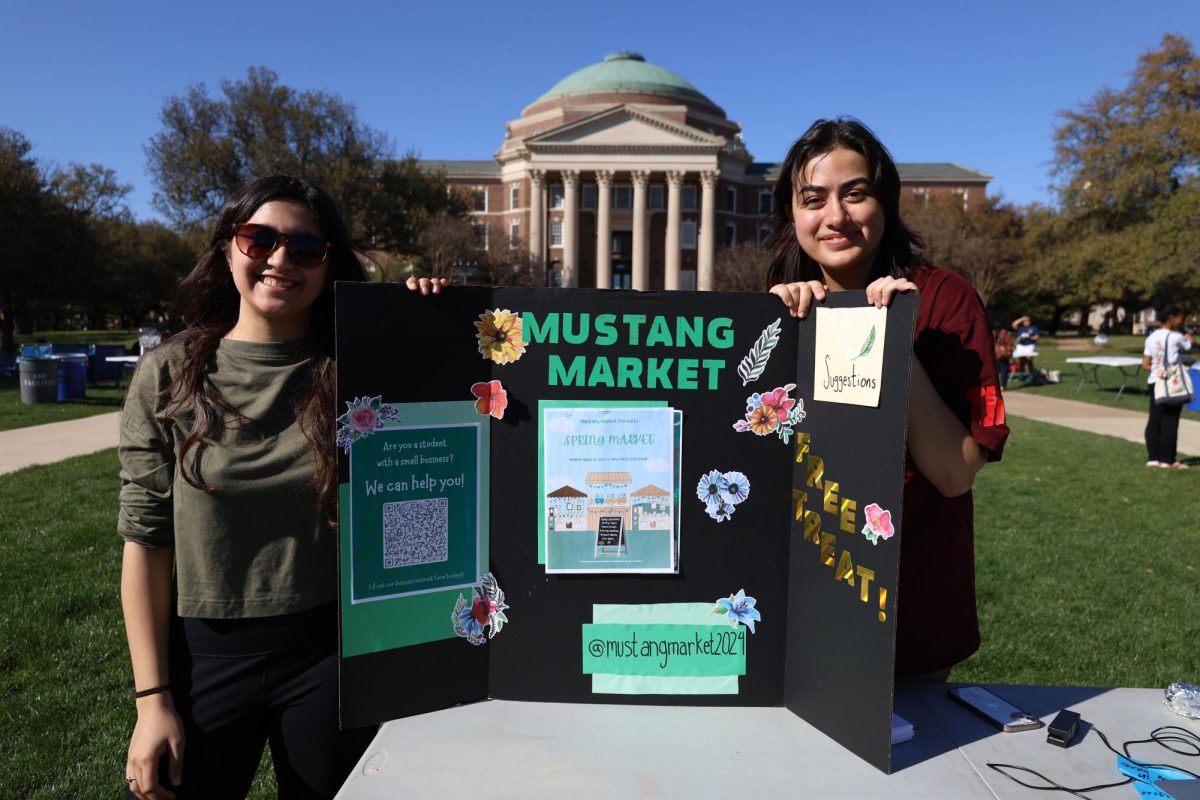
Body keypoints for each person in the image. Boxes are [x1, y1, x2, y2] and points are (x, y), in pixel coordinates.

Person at [119, 175, 380, 799]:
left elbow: (475, 384)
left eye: (306, 248)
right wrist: (151, 702)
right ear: (228, 249)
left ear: (328, 266)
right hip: (202, 656)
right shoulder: (168, 377)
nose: (280, 260)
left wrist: (432, 309)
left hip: (330, 653)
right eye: (258, 238)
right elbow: (145, 542)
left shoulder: (364, 371)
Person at [766, 118, 1009, 680]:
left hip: (911, 618)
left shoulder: (944, 303)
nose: (835, 217)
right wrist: (773, 335)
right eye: (813, 199)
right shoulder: (788, 310)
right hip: (802, 616)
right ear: (791, 215)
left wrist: (892, 341)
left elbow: (955, 474)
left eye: (856, 194)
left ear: (886, 203)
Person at [1143, 304, 1195, 469]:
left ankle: (1153, 458)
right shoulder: (1175, 336)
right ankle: (1168, 460)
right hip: (1172, 382)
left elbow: (1145, 364)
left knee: (1154, 421)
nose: (1181, 320)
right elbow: (1190, 345)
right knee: (1170, 422)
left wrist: (1158, 369)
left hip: (1154, 382)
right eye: (1180, 318)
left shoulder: (1151, 337)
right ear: (1171, 318)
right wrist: (1185, 331)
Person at [993, 323, 1015, 389]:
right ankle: (1003, 385)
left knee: (995, 370)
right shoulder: (1005, 333)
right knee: (1004, 370)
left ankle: (994, 385)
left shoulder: (993, 332)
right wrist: (1011, 350)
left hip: (995, 353)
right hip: (1003, 354)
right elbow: (1010, 343)